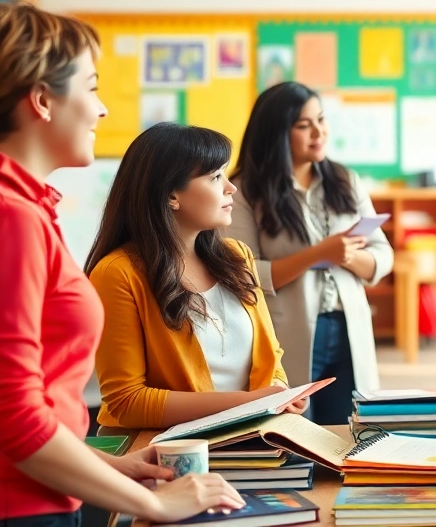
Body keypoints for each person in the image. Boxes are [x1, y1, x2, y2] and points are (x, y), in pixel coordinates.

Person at [0, 1, 243, 525]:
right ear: (42, 100)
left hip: (46, 485)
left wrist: (114, 466)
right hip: (23, 506)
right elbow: (14, 421)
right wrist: (154, 503)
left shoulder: (27, 209)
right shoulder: (11, 217)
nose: (103, 109)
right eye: (90, 88)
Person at [87, 123, 304, 431]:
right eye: (216, 177)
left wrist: (282, 393)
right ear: (171, 196)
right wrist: (253, 403)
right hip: (160, 450)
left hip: (250, 435)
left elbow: (271, 359)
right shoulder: (118, 273)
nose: (232, 188)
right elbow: (127, 401)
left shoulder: (237, 256)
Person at [226, 81, 394, 425]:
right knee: (294, 430)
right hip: (287, 332)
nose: (319, 132)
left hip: (347, 326)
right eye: (304, 125)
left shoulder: (345, 179)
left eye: (321, 120)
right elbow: (244, 272)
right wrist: (321, 252)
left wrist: (344, 255)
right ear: (276, 133)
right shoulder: (244, 189)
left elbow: (382, 255)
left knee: (351, 429)